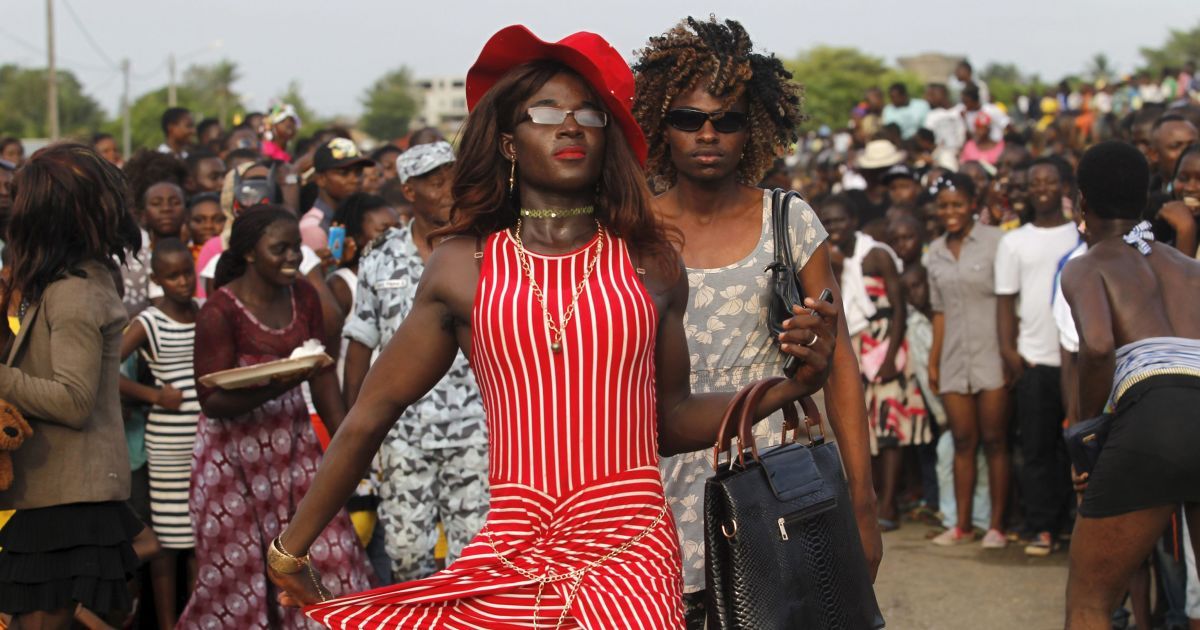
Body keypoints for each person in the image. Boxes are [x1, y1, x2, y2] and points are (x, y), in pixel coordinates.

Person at [270, 25, 838, 628]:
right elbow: (369, 415)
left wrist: (787, 388)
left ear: (606, 139)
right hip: (511, 551)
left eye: (588, 115)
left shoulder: (652, 262)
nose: (570, 126)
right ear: (510, 142)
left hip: (630, 553)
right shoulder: (463, 269)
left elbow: (669, 421)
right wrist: (290, 550)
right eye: (545, 112)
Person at [631, 17, 880, 624]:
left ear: (754, 128)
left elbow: (838, 359)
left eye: (728, 119)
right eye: (688, 119)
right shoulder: (630, 233)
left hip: (773, 469)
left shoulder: (789, 220)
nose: (708, 134)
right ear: (662, 127)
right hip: (659, 475)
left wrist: (863, 499)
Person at [179, 206, 373, 628]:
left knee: (327, 556)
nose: (292, 257)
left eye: (296, 248)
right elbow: (211, 400)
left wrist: (351, 446)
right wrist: (285, 381)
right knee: (237, 577)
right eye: (279, 249)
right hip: (232, 458)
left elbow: (322, 379)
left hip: (294, 448)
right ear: (250, 253)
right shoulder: (219, 310)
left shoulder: (303, 296)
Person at [0, 143, 146, 628]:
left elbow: (72, 400)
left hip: (66, 499)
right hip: (62, 493)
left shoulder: (74, 293)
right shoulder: (77, 280)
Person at [1060, 140, 1200, 629]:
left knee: (1090, 603)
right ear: (1147, 197)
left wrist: (1086, 433)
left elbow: (1097, 348)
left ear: (1082, 200)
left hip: (1152, 415)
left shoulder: (1087, 264)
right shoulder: (1191, 267)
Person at [341, 142, 491, 587]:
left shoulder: (484, 251)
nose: (448, 188)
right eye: (434, 179)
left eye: (451, 175)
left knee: (474, 561)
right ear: (409, 189)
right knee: (407, 560)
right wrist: (359, 430)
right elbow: (360, 343)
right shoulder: (381, 256)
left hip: (477, 430)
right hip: (403, 434)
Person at [818, 195, 927, 532]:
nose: (835, 228)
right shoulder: (833, 258)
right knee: (866, 429)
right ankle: (872, 499)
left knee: (890, 428)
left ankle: (890, 503)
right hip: (856, 347)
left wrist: (893, 356)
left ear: (854, 220)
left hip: (884, 344)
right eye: (829, 222)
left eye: (840, 220)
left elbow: (898, 310)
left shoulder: (876, 254)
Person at [996, 158, 1080, 556]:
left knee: (1075, 446)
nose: (1042, 187)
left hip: (1076, 362)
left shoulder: (1080, 236)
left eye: (1050, 181)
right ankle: (1040, 526)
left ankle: (1070, 526)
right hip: (1033, 359)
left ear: (1064, 186)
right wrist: (1010, 352)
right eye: (1035, 182)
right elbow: (1005, 301)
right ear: (1027, 190)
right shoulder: (1014, 240)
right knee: (1036, 449)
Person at [116, 238, 200, 629]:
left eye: (188, 272)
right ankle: (167, 623)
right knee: (167, 539)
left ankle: (199, 618)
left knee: (200, 535)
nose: (183, 282)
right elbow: (105, 369)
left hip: (204, 438)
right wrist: (153, 395)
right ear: (155, 279)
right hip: (167, 441)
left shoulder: (204, 312)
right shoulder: (149, 321)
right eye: (173, 276)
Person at [924, 172, 1011, 548]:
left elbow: (1010, 302)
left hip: (993, 354)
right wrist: (934, 359)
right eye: (944, 206)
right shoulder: (935, 253)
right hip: (955, 357)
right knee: (962, 439)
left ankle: (996, 526)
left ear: (972, 204)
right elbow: (939, 312)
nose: (950, 212)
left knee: (995, 439)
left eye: (957, 204)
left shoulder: (998, 243)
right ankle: (961, 525)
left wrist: (1012, 352)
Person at [300, 138, 371, 254]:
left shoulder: (355, 217)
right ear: (321, 179)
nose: (355, 179)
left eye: (358, 172)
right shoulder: (314, 227)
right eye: (344, 173)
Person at [1147, 114, 1198, 191]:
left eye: (1192, 145)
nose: (1186, 152)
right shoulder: (1146, 193)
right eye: (1175, 146)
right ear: (1154, 154)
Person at [924, 83, 967, 167]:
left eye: (933, 95)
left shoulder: (961, 109)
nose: (929, 99)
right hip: (942, 153)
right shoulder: (932, 115)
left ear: (943, 94)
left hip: (963, 151)